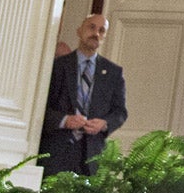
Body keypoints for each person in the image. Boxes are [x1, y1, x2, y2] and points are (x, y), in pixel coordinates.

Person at [38, 13, 127, 176]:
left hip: (91, 154)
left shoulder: (114, 72)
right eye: (91, 27)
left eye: (102, 30)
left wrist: (104, 123)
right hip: (56, 150)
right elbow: (40, 106)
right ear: (79, 31)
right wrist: (64, 120)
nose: (96, 34)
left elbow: (120, 112)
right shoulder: (58, 66)